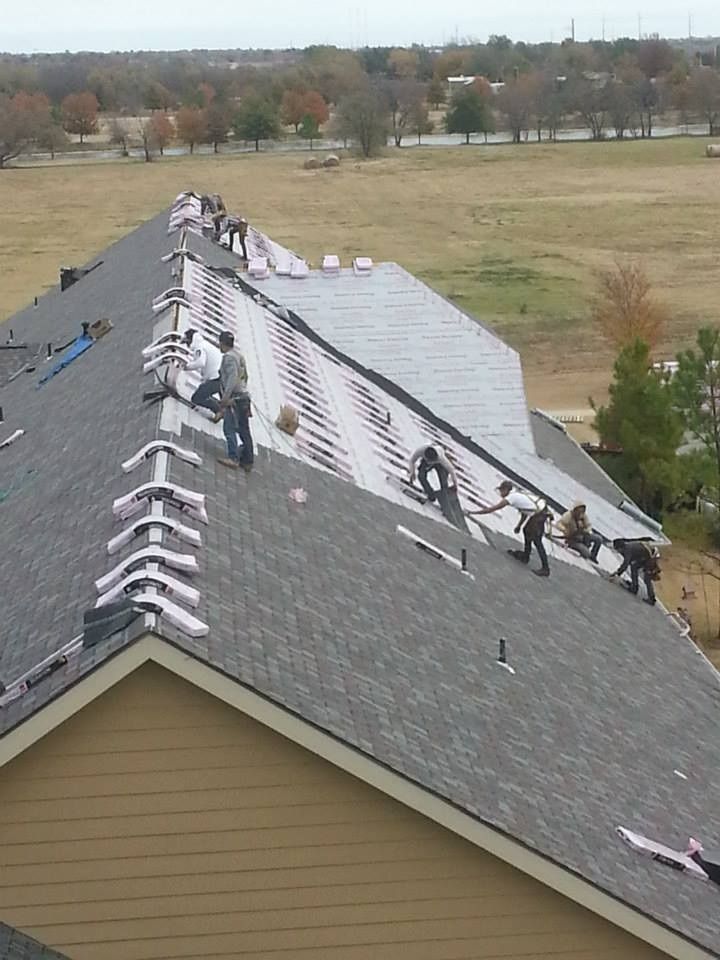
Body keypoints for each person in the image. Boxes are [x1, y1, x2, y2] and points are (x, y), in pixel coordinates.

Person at [468, 480, 551, 578]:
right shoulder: (516, 494)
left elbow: (492, 509)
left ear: (506, 490)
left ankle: (545, 569)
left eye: (501, 491)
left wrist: (474, 512)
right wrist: (519, 526)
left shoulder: (511, 498)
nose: (501, 494)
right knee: (526, 531)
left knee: (537, 540)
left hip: (540, 515)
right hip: (539, 512)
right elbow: (525, 510)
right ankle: (525, 556)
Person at [212, 331, 254, 472]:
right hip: (244, 397)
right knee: (244, 430)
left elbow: (231, 379)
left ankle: (233, 458)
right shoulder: (239, 356)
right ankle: (248, 461)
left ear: (222, 343)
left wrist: (225, 399)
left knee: (229, 428)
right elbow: (245, 376)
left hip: (234, 399)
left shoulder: (228, 358)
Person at [610, 539, 660, 605]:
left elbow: (625, 564)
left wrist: (617, 574)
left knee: (647, 578)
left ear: (620, 548)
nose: (618, 552)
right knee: (634, 567)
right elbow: (628, 562)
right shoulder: (627, 547)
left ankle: (652, 599)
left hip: (651, 557)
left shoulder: (627, 550)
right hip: (645, 556)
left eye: (617, 550)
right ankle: (634, 587)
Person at [186, 330, 222, 414]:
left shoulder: (199, 348)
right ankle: (222, 409)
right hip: (221, 376)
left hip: (217, 378)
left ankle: (219, 410)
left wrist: (187, 367)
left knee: (196, 398)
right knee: (204, 390)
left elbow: (201, 363)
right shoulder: (204, 344)